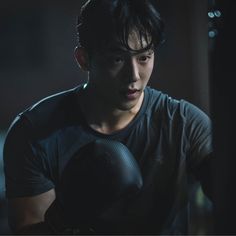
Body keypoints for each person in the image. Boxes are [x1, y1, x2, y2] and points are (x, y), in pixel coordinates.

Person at [3, 0, 213, 234]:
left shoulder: (184, 125)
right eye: (117, 59)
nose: (133, 75)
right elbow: (27, 230)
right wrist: (64, 216)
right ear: (83, 59)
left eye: (144, 57)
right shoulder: (34, 132)